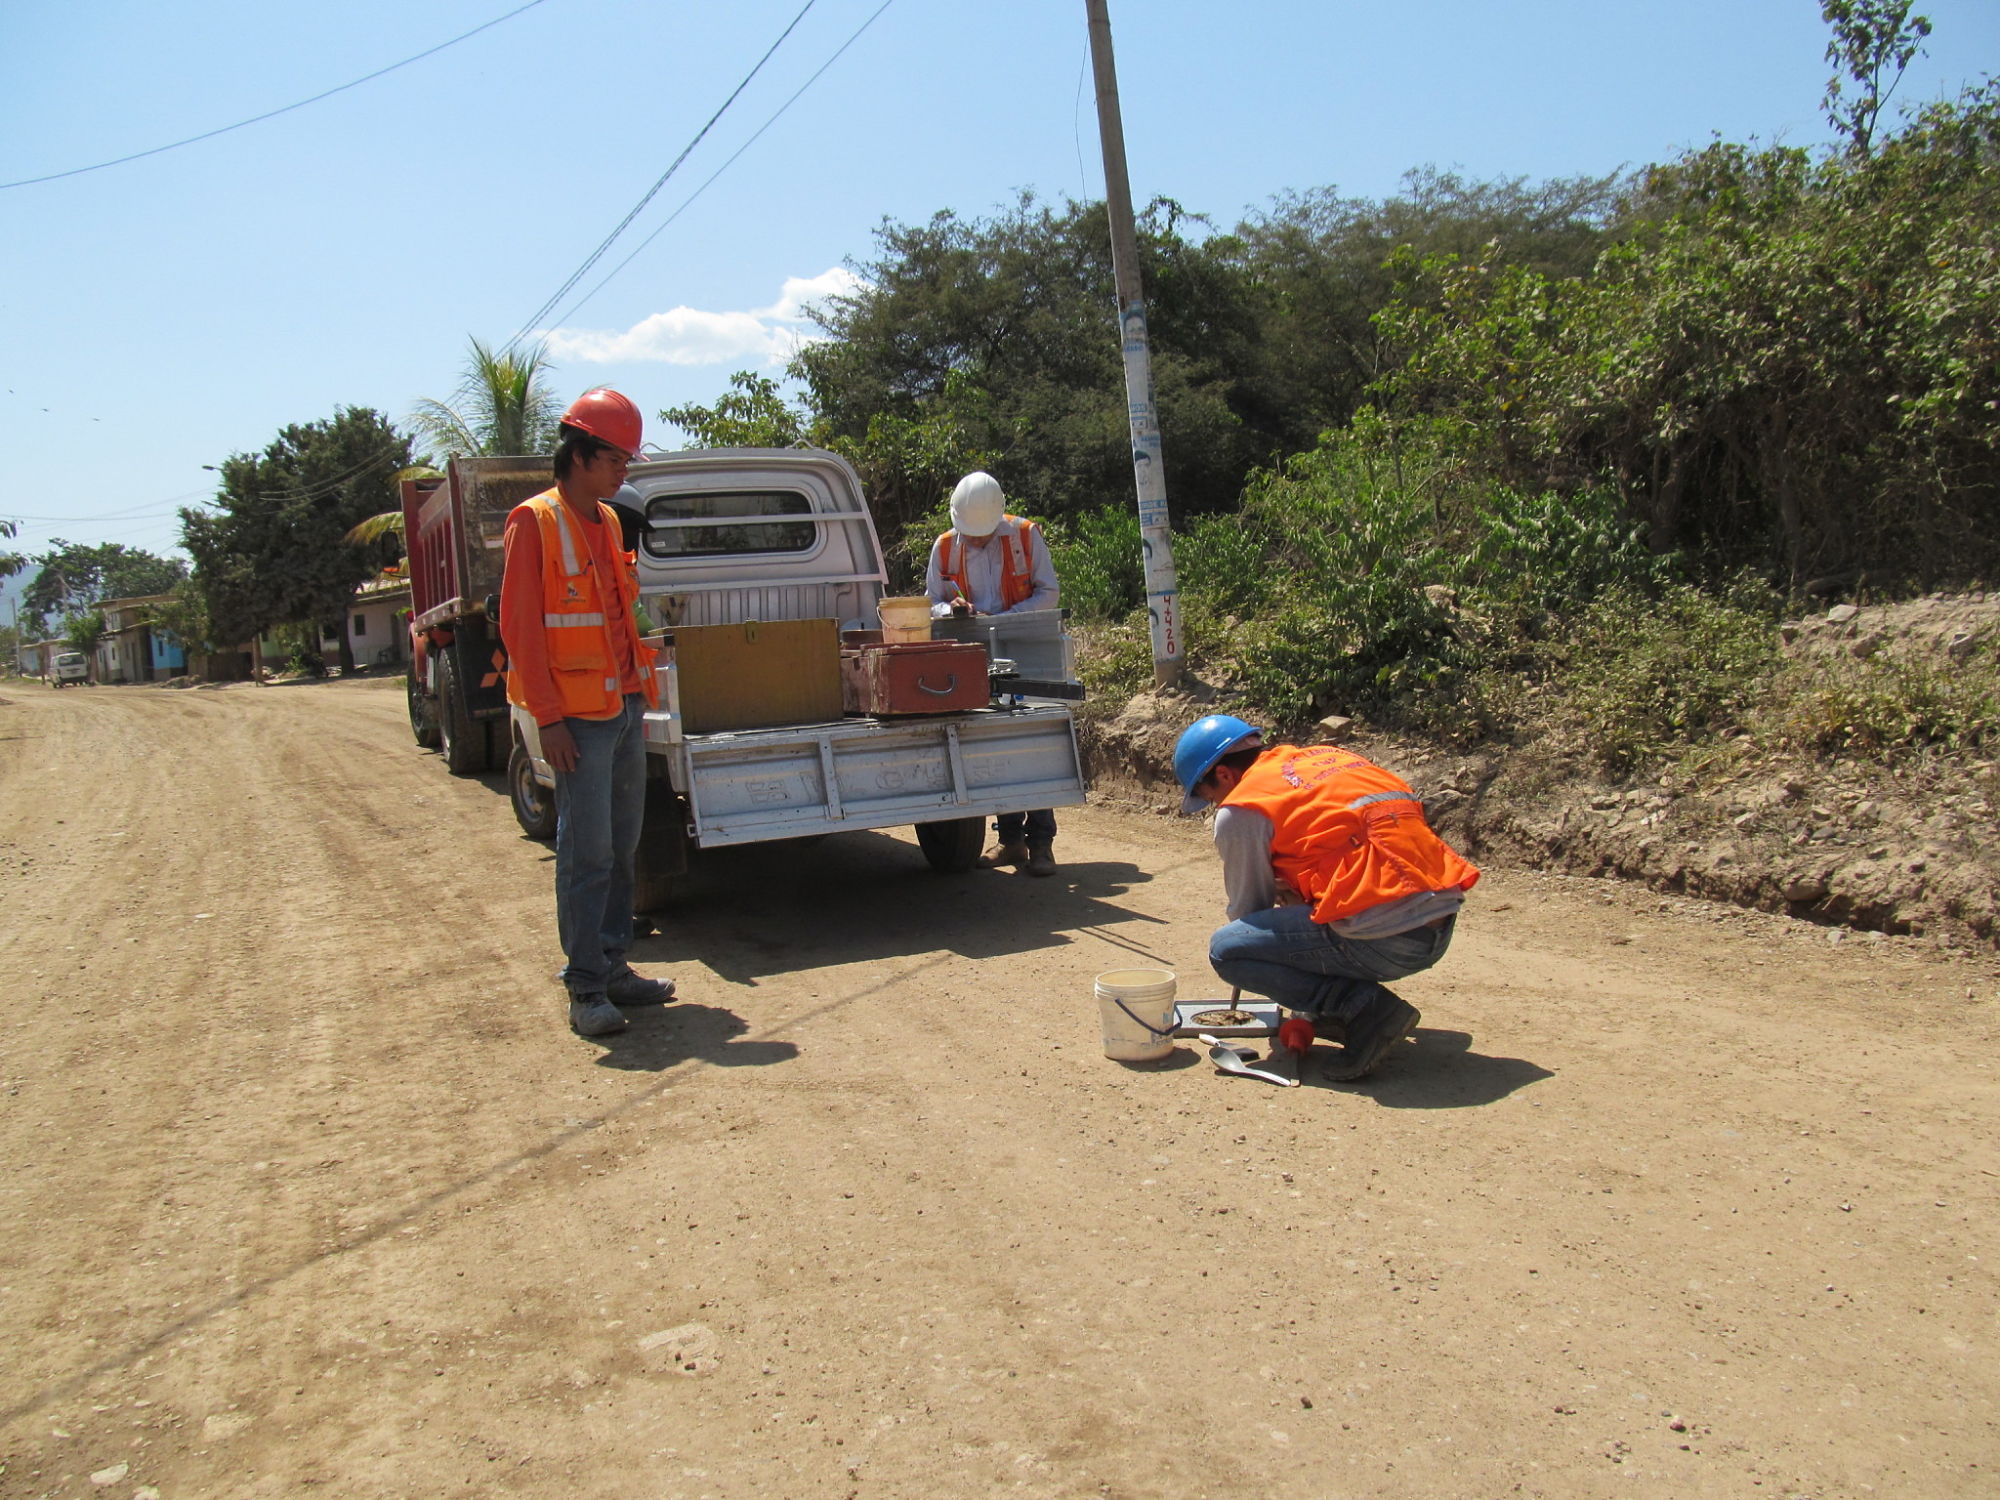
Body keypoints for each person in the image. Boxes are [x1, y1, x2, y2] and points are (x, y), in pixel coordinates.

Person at [500, 387, 678, 1038]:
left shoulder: (606, 520)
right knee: (586, 849)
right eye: (615, 460)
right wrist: (547, 719)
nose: (623, 472)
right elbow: (520, 630)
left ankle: (613, 966)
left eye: (626, 462)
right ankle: (584, 987)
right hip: (576, 717)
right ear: (578, 455)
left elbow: (613, 611)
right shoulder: (534, 522)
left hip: (624, 702)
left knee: (623, 843)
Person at [1173, 714, 1479, 1081]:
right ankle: (1337, 1013)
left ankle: (1363, 1009)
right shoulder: (1326, 761)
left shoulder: (1242, 808)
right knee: (1294, 909)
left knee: (1228, 949)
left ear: (1224, 775)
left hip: (1389, 938)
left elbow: (1247, 911)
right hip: (1438, 925)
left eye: (1209, 797)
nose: (1214, 806)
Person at [924, 470, 1063, 876]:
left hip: (1027, 651)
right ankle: (1010, 843)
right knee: (994, 747)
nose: (977, 540)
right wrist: (952, 611)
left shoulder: (1024, 535)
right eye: (972, 534)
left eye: (983, 534)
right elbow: (932, 601)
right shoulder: (946, 546)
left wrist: (1003, 619)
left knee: (1032, 746)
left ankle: (1041, 845)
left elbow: (1048, 592)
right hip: (973, 657)